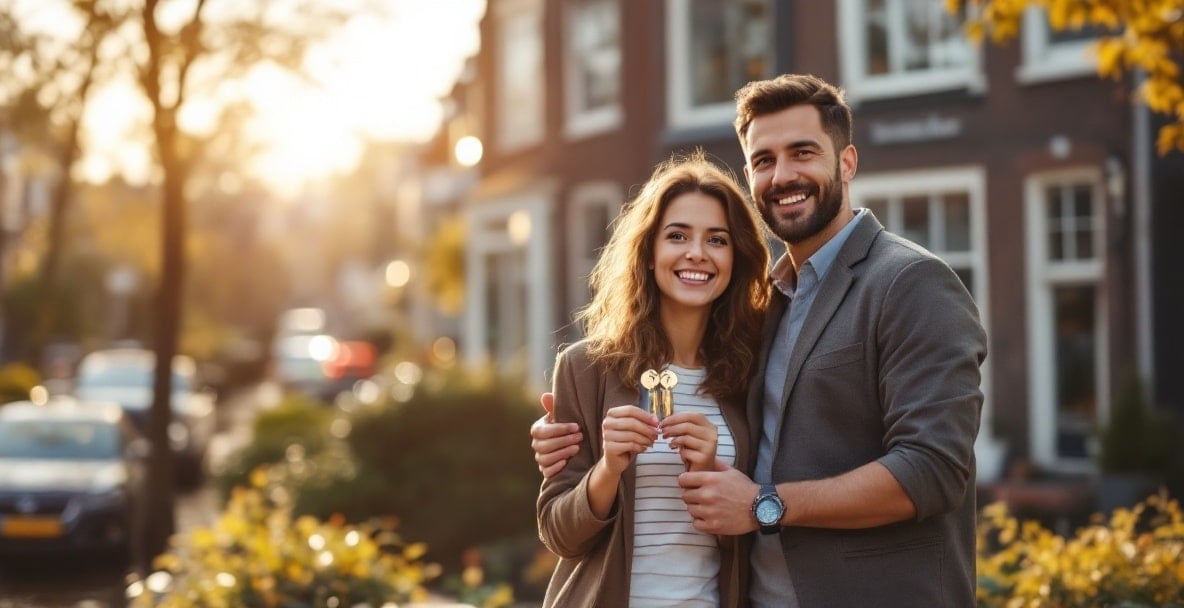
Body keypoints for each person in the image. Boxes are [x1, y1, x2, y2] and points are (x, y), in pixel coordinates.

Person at [532, 73, 988, 607]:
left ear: (847, 163)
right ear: (750, 175)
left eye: (803, 152)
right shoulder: (762, 318)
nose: (783, 175)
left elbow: (934, 469)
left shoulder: (911, 282)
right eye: (765, 160)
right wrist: (580, 445)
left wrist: (762, 504)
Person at [537, 150, 771, 608]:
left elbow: (753, 538)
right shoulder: (585, 368)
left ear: (736, 258)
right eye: (677, 235)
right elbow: (558, 534)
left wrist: (709, 473)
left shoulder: (752, 373)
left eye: (717, 240)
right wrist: (609, 468)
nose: (696, 253)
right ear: (648, 253)